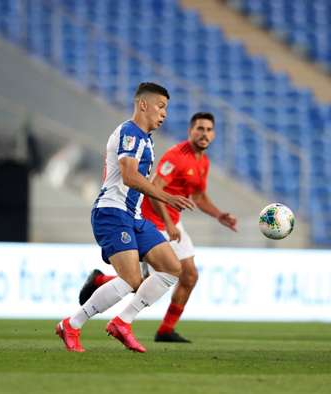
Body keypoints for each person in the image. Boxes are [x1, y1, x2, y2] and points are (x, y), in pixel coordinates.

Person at [55, 82, 194, 353]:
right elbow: (129, 177)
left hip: (134, 216)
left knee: (171, 267)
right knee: (131, 280)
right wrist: (167, 197)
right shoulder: (130, 133)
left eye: (167, 108)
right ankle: (71, 325)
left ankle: (123, 322)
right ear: (143, 104)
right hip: (112, 212)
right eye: (161, 106)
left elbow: (141, 181)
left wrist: (164, 215)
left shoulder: (146, 140)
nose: (164, 114)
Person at [78, 112, 237, 343]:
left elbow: (200, 196)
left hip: (173, 222)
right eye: (199, 129)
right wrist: (169, 223)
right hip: (154, 220)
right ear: (190, 131)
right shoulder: (177, 157)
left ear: (214, 134)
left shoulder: (202, 161)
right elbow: (155, 189)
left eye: (209, 130)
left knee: (189, 275)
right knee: (143, 282)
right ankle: (100, 283)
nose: (204, 134)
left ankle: (165, 330)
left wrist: (219, 214)